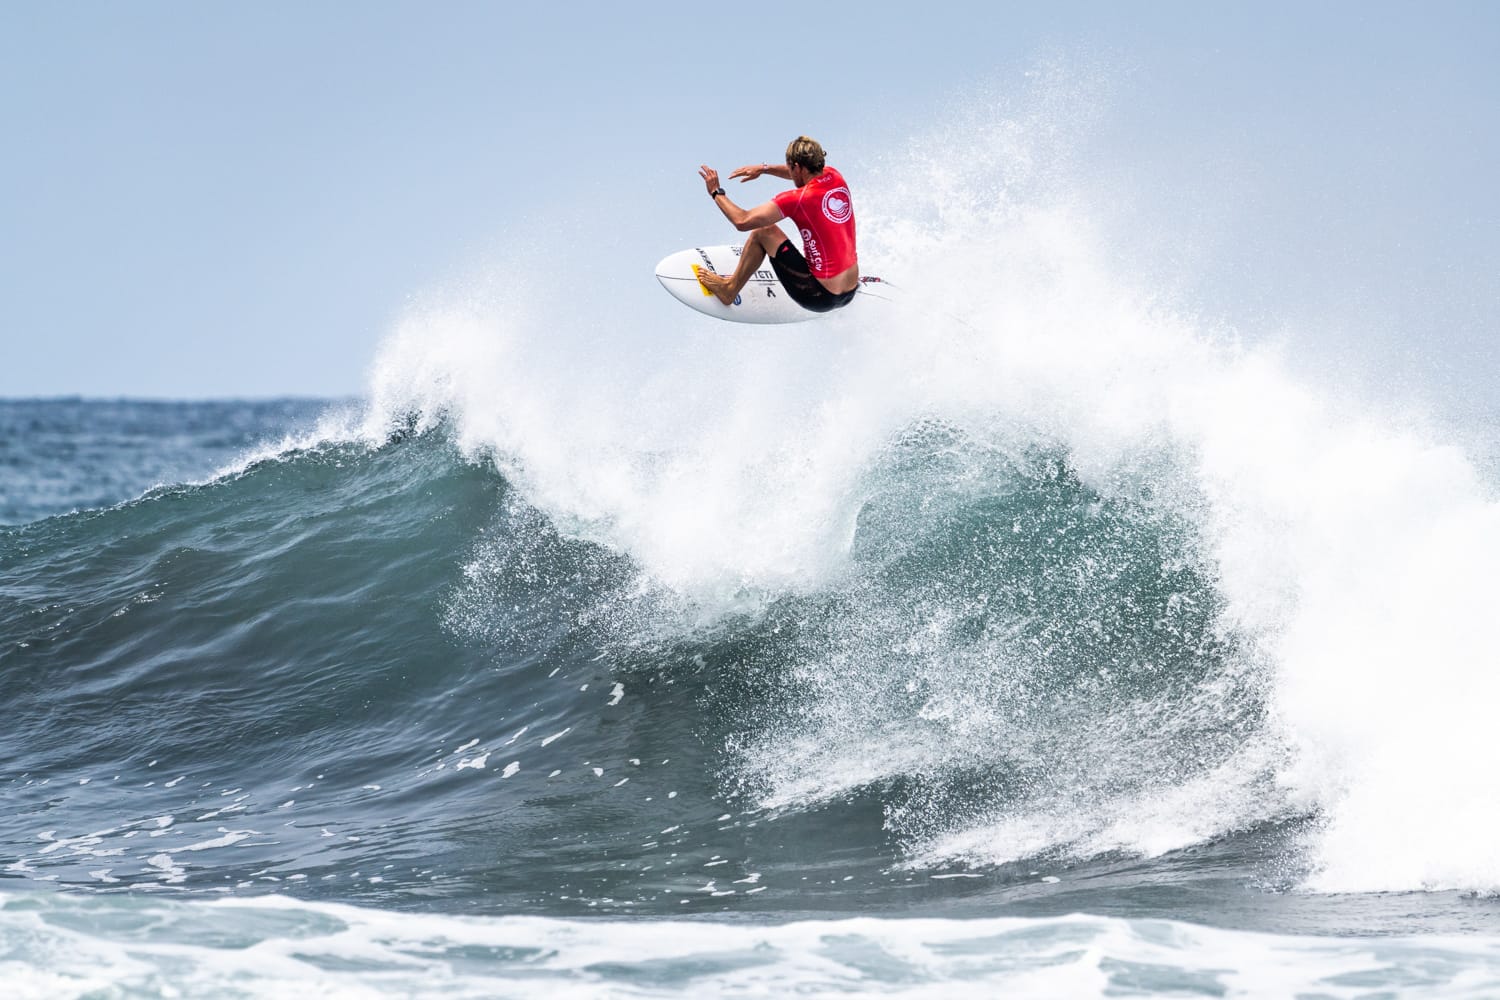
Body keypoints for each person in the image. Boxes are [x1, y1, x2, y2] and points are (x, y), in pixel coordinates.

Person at [696, 136, 859, 314]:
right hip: (850, 291)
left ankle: (729, 289)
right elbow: (801, 173)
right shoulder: (834, 176)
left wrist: (715, 191)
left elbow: (742, 221)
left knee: (763, 230)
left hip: (818, 296)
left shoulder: (798, 199)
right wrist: (764, 169)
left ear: (796, 167)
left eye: (790, 168)